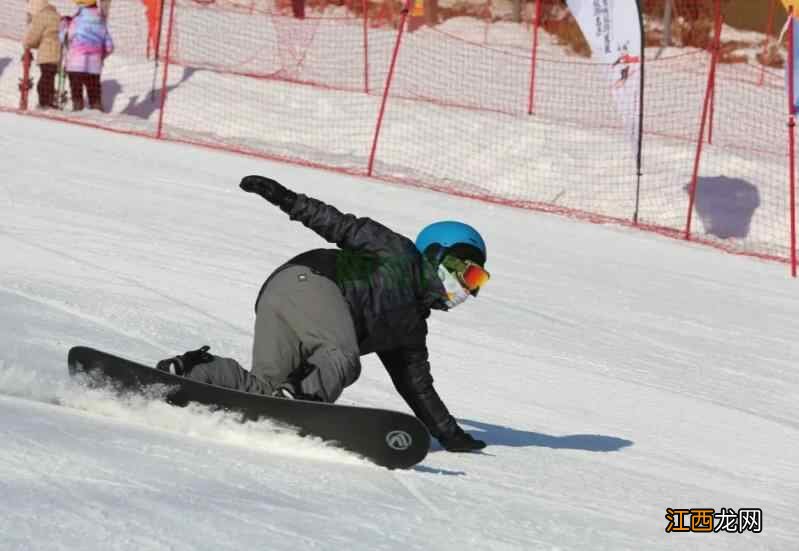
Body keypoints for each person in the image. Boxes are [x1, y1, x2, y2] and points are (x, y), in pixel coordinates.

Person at [158, 175, 489, 452]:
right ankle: (298, 403)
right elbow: (338, 225)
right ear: (439, 256)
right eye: (472, 276)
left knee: (266, 390)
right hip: (313, 282)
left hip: (277, 297)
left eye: (479, 282)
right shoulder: (397, 253)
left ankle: (190, 373)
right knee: (341, 357)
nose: (471, 290)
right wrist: (285, 198)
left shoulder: (411, 330)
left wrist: (449, 434)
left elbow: (416, 386)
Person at [59, 0, 113, 111]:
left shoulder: (76, 20)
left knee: (77, 92)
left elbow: (64, 37)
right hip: (94, 65)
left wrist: (63, 26)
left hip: (75, 63)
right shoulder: (101, 22)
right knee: (94, 93)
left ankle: (77, 110)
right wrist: (99, 55)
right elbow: (109, 46)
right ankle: (97, 111)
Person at [23, 0, 61, 109]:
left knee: (45, 76)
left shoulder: (42, 16)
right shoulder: (56, 15)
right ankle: (49, 100)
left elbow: (35, 35)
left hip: (46, 50)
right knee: (50, 76)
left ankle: (44, 102)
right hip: (57, 51)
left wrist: (27, 43)